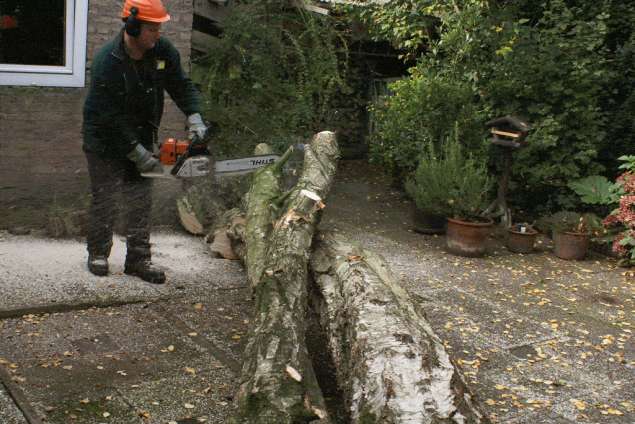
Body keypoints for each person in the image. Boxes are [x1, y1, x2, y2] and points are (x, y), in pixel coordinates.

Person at [82, 0, 207, 284]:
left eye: (159, 28)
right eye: (152, 29)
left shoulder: (162, 51)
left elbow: (181, 85)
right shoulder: (107, 61)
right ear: (133, 26)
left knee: (140, 199)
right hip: (103, 137)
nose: (158, 34)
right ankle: (98, 253)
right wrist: (136, 152)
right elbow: (109, 117)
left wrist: (195, 116)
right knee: (106, 197)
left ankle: (138, 260)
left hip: (141, 132)